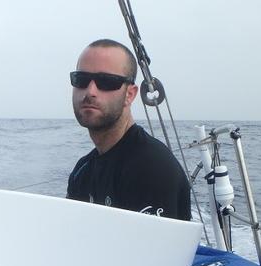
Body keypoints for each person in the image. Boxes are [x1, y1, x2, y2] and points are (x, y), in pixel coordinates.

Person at [66, 39, 191, 221]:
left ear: (130, 94)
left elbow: (153, 248)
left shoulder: (153, 169)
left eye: (106, 82)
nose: (90, 91)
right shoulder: (82, 171)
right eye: (81, 80)